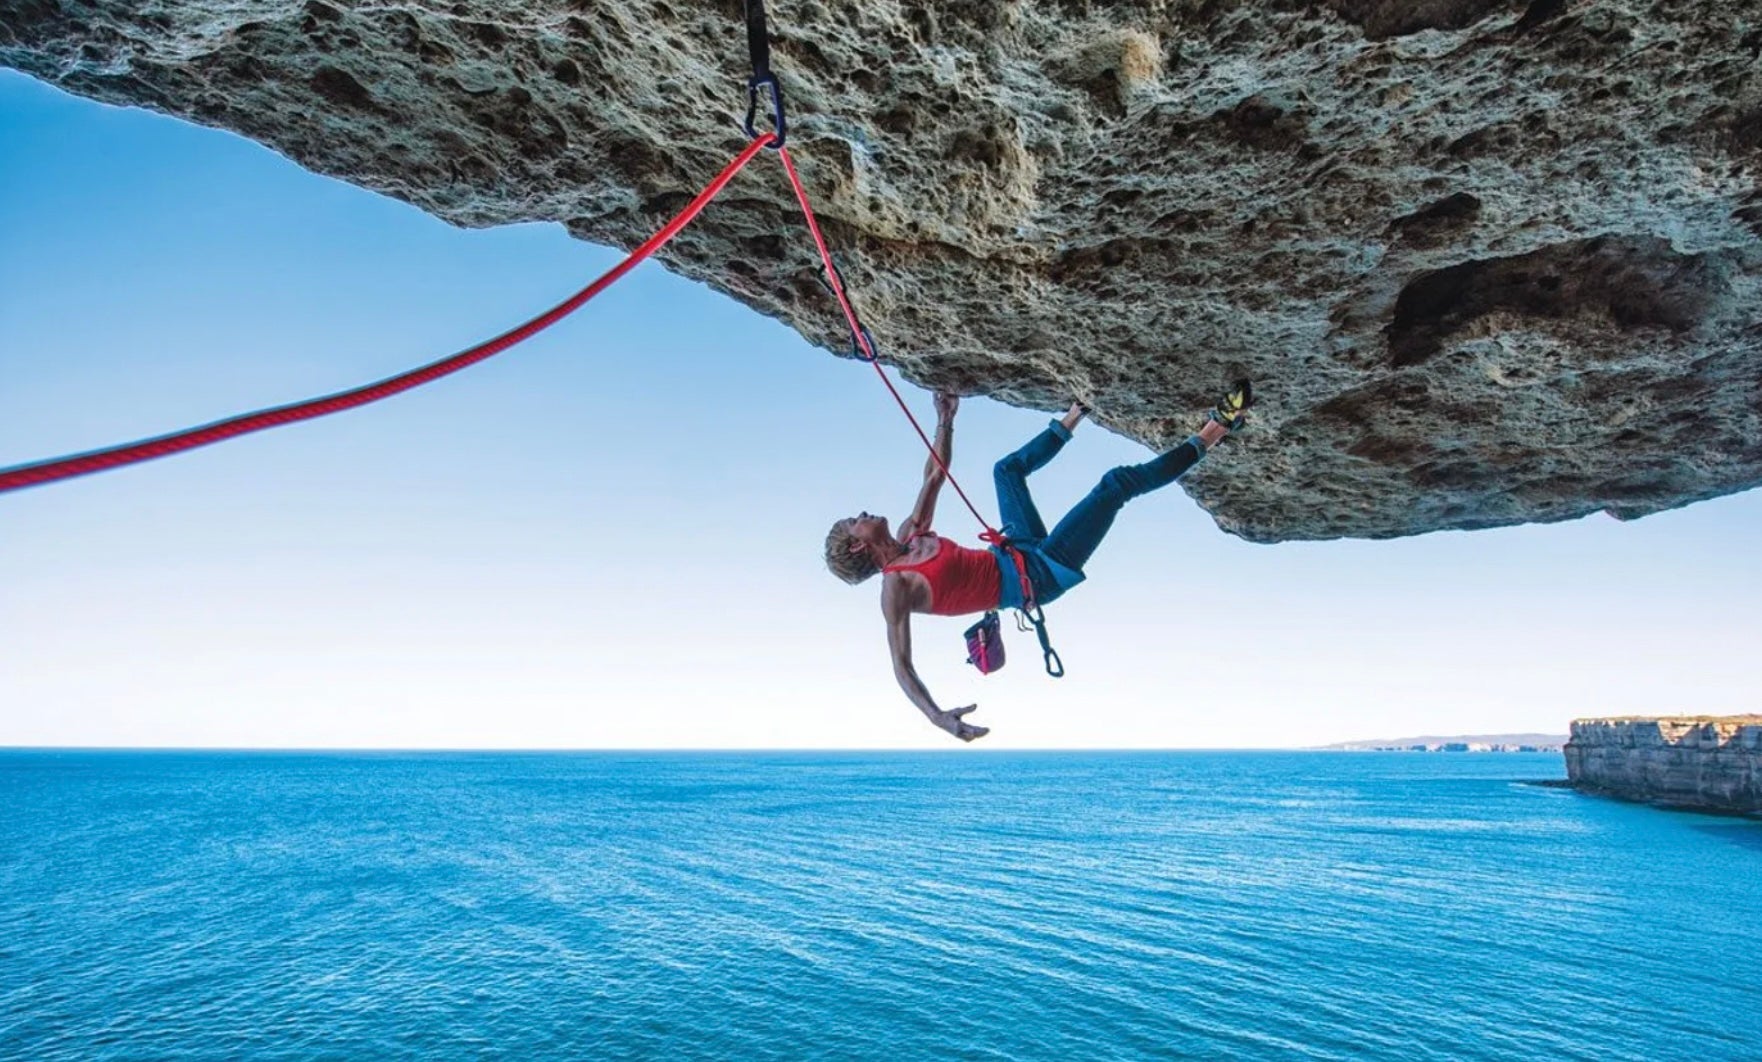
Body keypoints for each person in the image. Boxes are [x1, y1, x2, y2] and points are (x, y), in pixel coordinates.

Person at [824, 382, 1252, 742]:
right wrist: (938, 717)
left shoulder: (909, 534)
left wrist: (946, 417)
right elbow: (901, 665)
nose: (861, 514)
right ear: (859, 547)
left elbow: (935, 474)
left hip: (1018, 547)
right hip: (1042, 575)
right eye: (854, 522)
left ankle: (1077, 411)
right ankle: (1215, 430)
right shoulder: (896, 589)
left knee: (1005, 471)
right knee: (1115, 485)